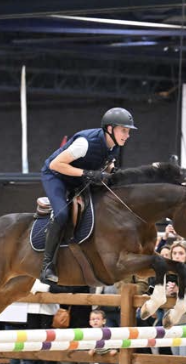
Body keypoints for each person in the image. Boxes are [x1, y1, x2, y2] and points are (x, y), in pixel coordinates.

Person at [39, 107, 135, 284]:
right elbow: (55, 164)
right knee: (61, 215)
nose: (127, 135)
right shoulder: (86, 143)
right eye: (124, 130)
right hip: (56, 176)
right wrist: (89, 174)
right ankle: (47, 266)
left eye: (128, 131)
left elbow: (107, 167)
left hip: (78, 179)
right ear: (110, 129)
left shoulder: (114, 146)